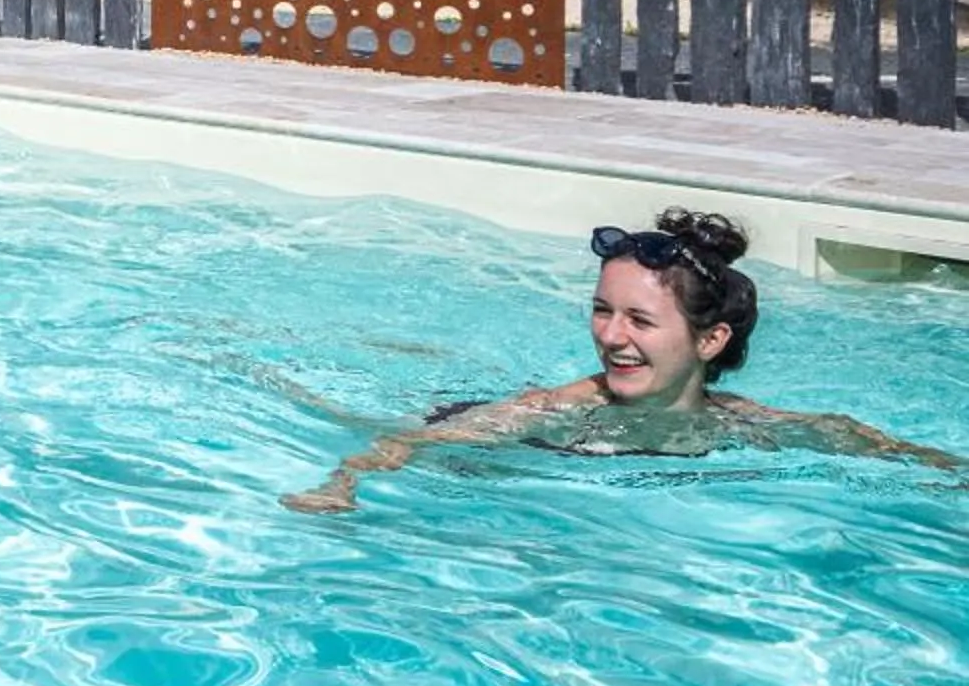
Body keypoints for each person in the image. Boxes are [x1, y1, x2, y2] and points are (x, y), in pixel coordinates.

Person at [286, 208, 959, 513]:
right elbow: (403, 442)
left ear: (710, 341)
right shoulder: (551, 408)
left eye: (639, 319)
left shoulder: (744, 423)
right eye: (602, 310)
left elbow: (849, 435)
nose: (610, 336)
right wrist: (341, 485)